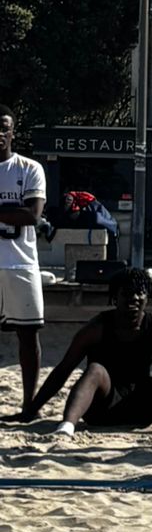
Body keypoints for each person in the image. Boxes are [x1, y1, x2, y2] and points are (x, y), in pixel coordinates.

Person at [22, 268, 152, 438]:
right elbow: (63, 370)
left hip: (141, 406)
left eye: (139, 294)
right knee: (95, 370)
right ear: (115, 298)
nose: (134, 299)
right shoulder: (96, 328)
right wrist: (32, 409)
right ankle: (67, 426)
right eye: (127, 294)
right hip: (102, 406)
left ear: (147, 298)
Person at [0, 106, 46, 417]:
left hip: (20, 263)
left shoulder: (29, 168)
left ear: (13, 132)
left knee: (28, 335)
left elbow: (32, 215)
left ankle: (30, 405)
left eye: (4, 128)